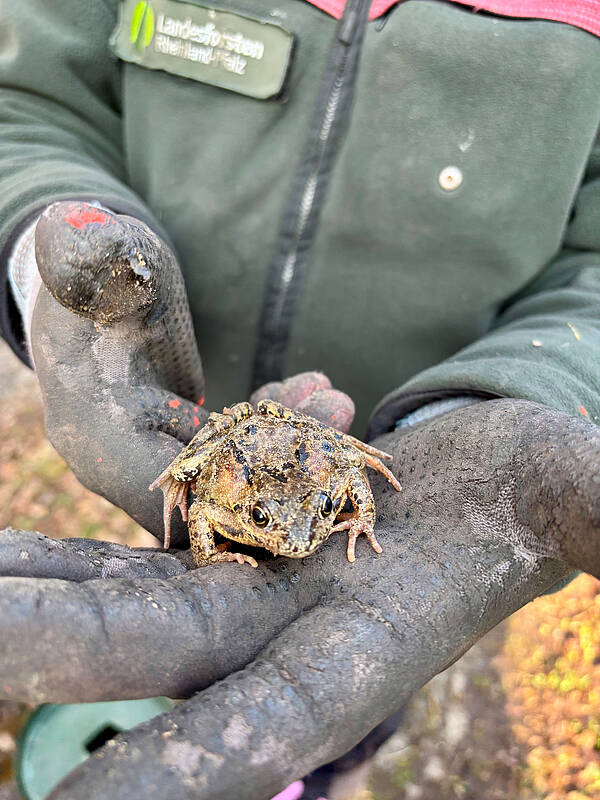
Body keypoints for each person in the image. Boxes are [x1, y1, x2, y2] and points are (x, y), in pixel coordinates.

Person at [1, 1, 599, 797]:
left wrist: (529, 390)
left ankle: (326, 768)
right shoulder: (224, 497)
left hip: (396, 443)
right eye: (281, 529)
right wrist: (48, 265)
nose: (292, 539)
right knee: (174, 572)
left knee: (360, 672)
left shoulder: (325, 496)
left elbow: (348, 473)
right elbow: (26, 101)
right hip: (199, 419)